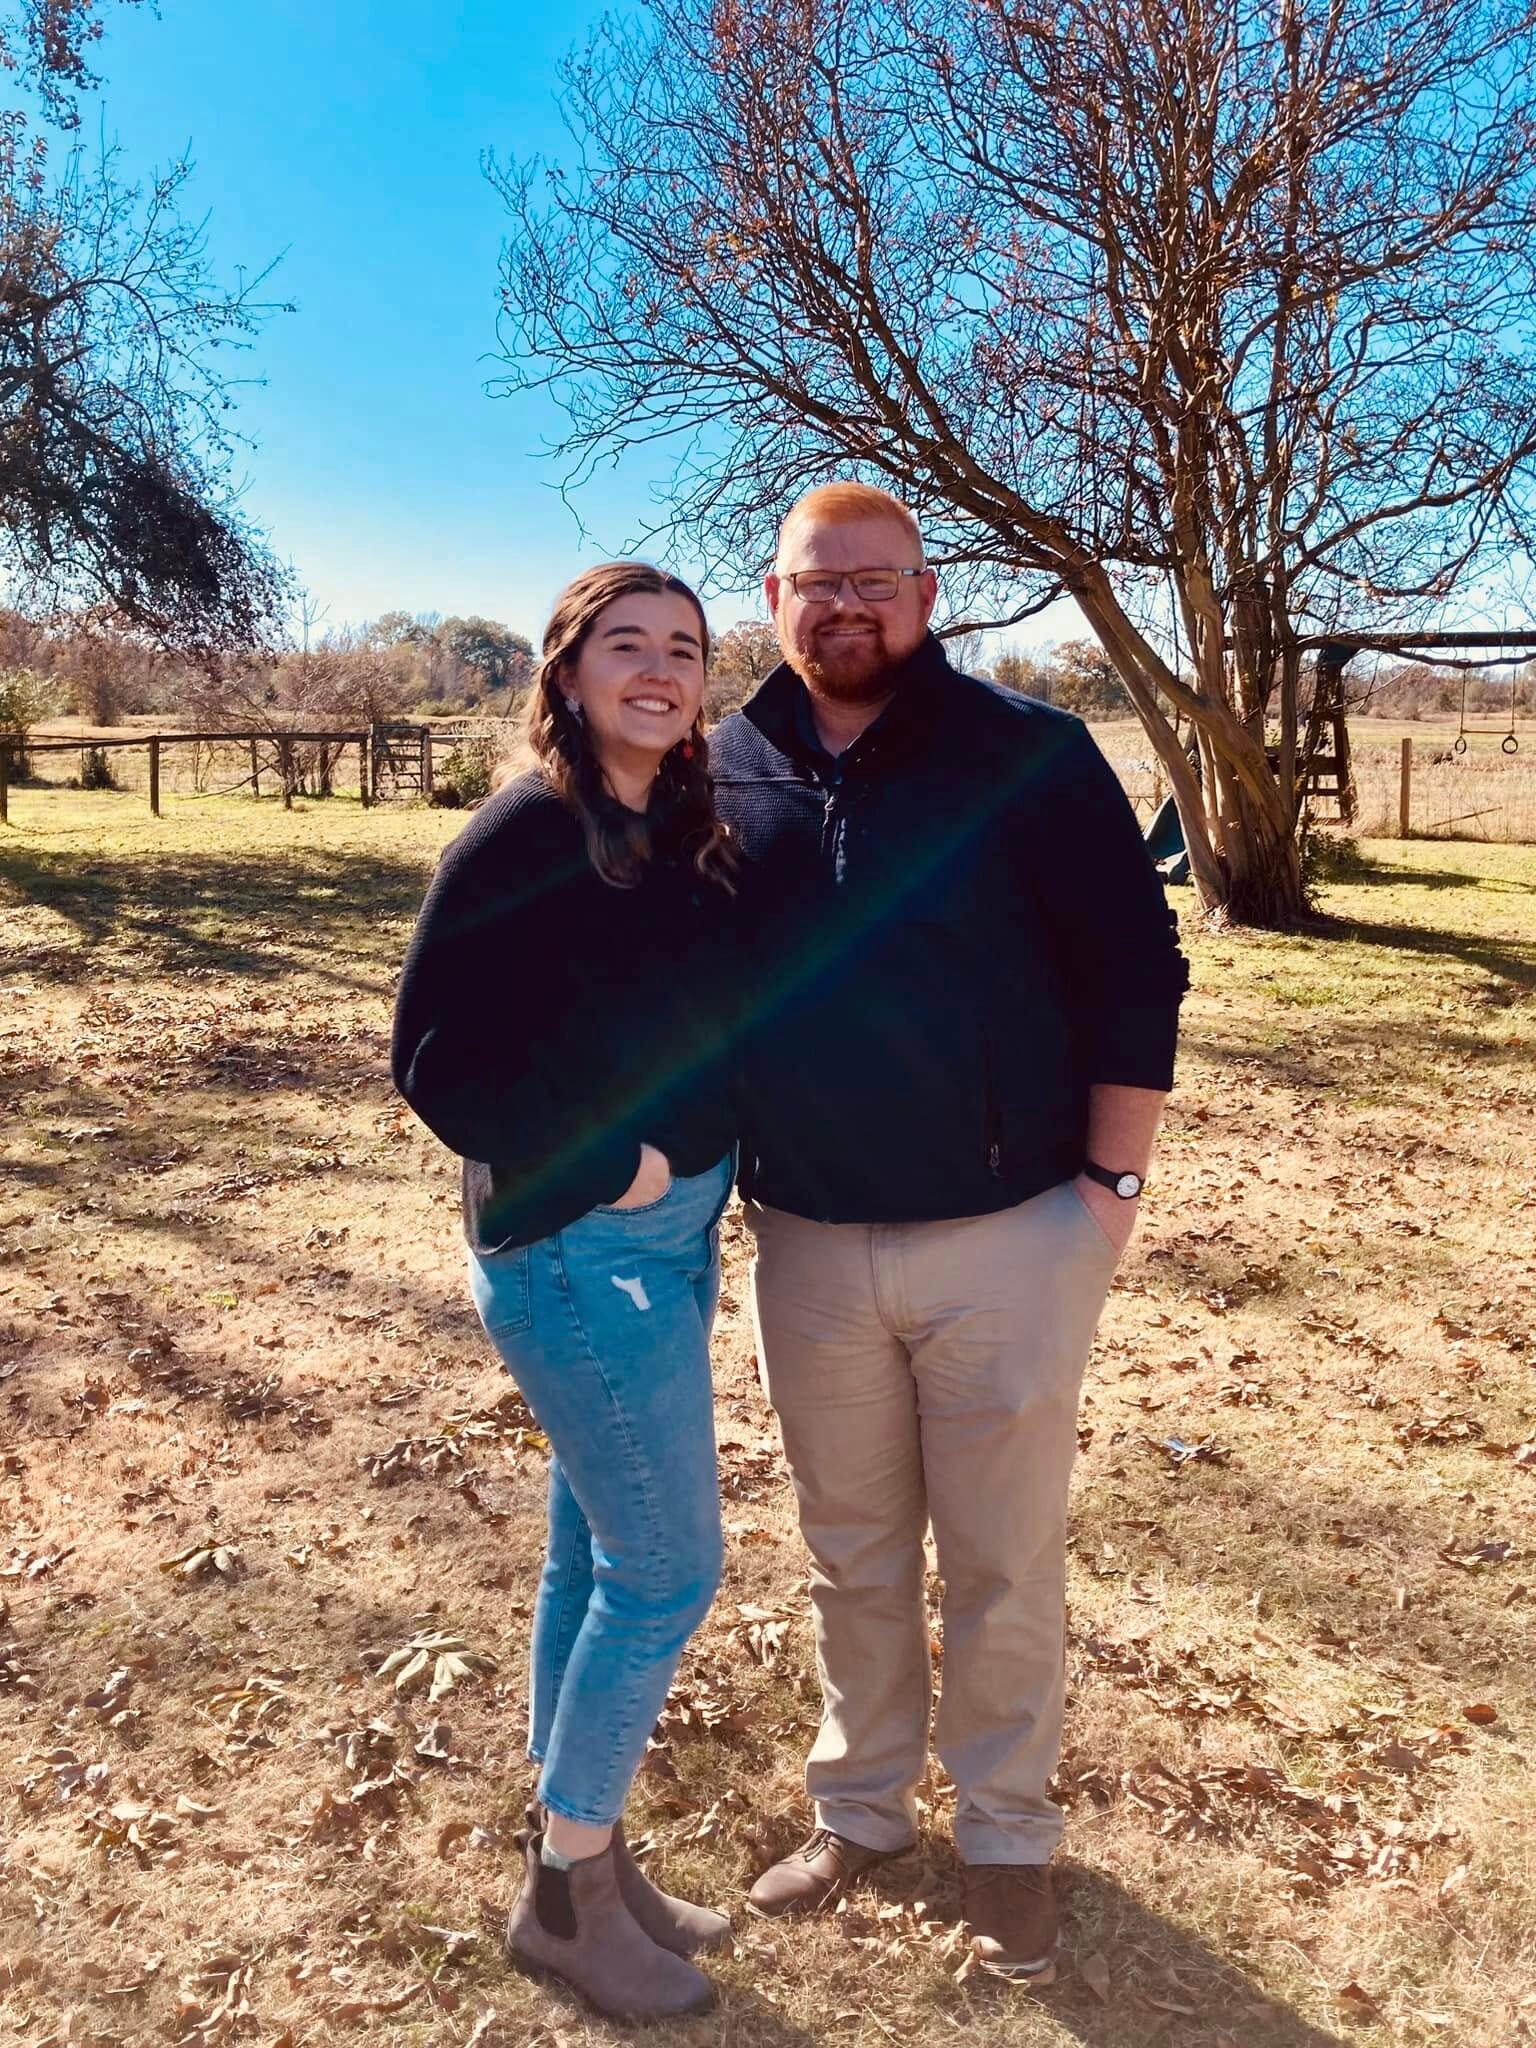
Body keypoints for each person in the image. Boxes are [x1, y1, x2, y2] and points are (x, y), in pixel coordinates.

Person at [710, 482, 1189, 1983]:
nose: (844, 606)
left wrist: (1109, 1193)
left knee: (1000, 1556)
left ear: (930, 594)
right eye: (814, 582)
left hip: (1011, 1230)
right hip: (810, 1235)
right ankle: (859, 1811)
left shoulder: (1028, 758)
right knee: (849, 1549)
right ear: (772, 598)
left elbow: (1136, 970)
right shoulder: (722, 766)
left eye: (874, 581)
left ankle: (1007, 1836)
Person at [391, 563, 740, 2020]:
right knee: (667, 1567)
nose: (658, 669)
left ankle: (583, 1850)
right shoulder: (531, 828)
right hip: (584, 1250)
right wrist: (620, 1170)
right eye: (628, 646)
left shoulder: (669, 823)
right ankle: (561, 1904)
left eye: (684, 649)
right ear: (570, 666)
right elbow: (435, 1059)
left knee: (596, 1552)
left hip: (666, 1243)